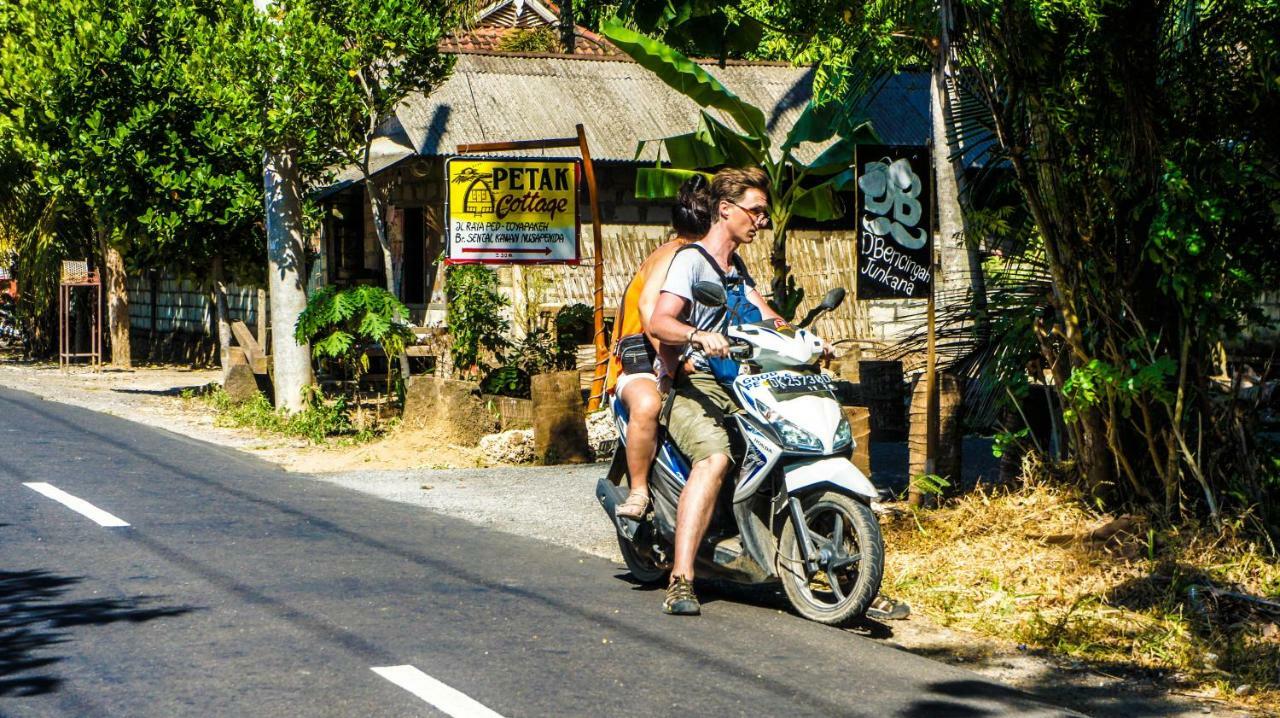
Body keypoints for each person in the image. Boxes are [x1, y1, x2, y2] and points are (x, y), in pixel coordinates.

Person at [647, 167, 782, 615]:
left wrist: (804, 339)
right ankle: (682, 579)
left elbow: (767, 317)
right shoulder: (690, 261)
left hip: (739, 382)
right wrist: (696, 335)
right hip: (691, 382)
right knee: (715, 456)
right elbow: (660, 321)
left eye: (764, 213)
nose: (762, 221)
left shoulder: (737, 269)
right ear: (726, 210)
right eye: (756, 211)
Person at [604, 176, 713, 519]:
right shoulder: (675, 255)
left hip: (685, 355)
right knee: (649, 403)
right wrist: (670, 364)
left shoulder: (718, 260)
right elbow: (648, 312)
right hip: (639, 359)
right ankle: (638, 491)